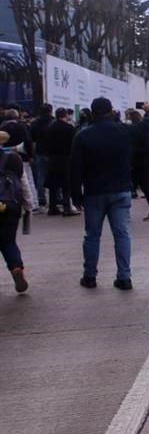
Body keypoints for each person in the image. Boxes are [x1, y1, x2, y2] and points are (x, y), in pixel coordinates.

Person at [71, 98, 149, 290]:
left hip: (94, 191)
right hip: (121, 189)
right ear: (111, 111)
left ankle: (90, 275)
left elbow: (76, 169)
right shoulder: (124, 131)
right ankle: (124, 276)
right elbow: (146, 125)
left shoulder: (82, 136)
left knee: (92, 235)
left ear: (92, 113)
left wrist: (76, 196)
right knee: (122, 233)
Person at [0, 130, 33, 294]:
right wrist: (28, 206)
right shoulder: (13, 158)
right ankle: (16, 267)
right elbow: (23, 184)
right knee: (8, 242)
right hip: (9, 206)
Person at [45, 107, 79, 217]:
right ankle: (67, 208)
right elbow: (74, 144)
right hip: (65, 158)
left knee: (53, 185)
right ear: (65, 115)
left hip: (53, 158)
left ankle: (52, 207)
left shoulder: (50, 127)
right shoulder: (70, 128)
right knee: (66, 185)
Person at [127, 109, 149, 221]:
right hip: (146, 161)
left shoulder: (132, 130)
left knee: (130, 188)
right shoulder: (148, 129)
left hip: (135, 162)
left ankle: (125, 213)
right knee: (146, 187)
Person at [29, 103, 54, 209]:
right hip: (52, 153)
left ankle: (41, 199)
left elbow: (32, 139)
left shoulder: (35, 123)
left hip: (40, 152)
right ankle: (56, 198)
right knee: (54, 176)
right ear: (50, 111)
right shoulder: (53, 122)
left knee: (40, 176)